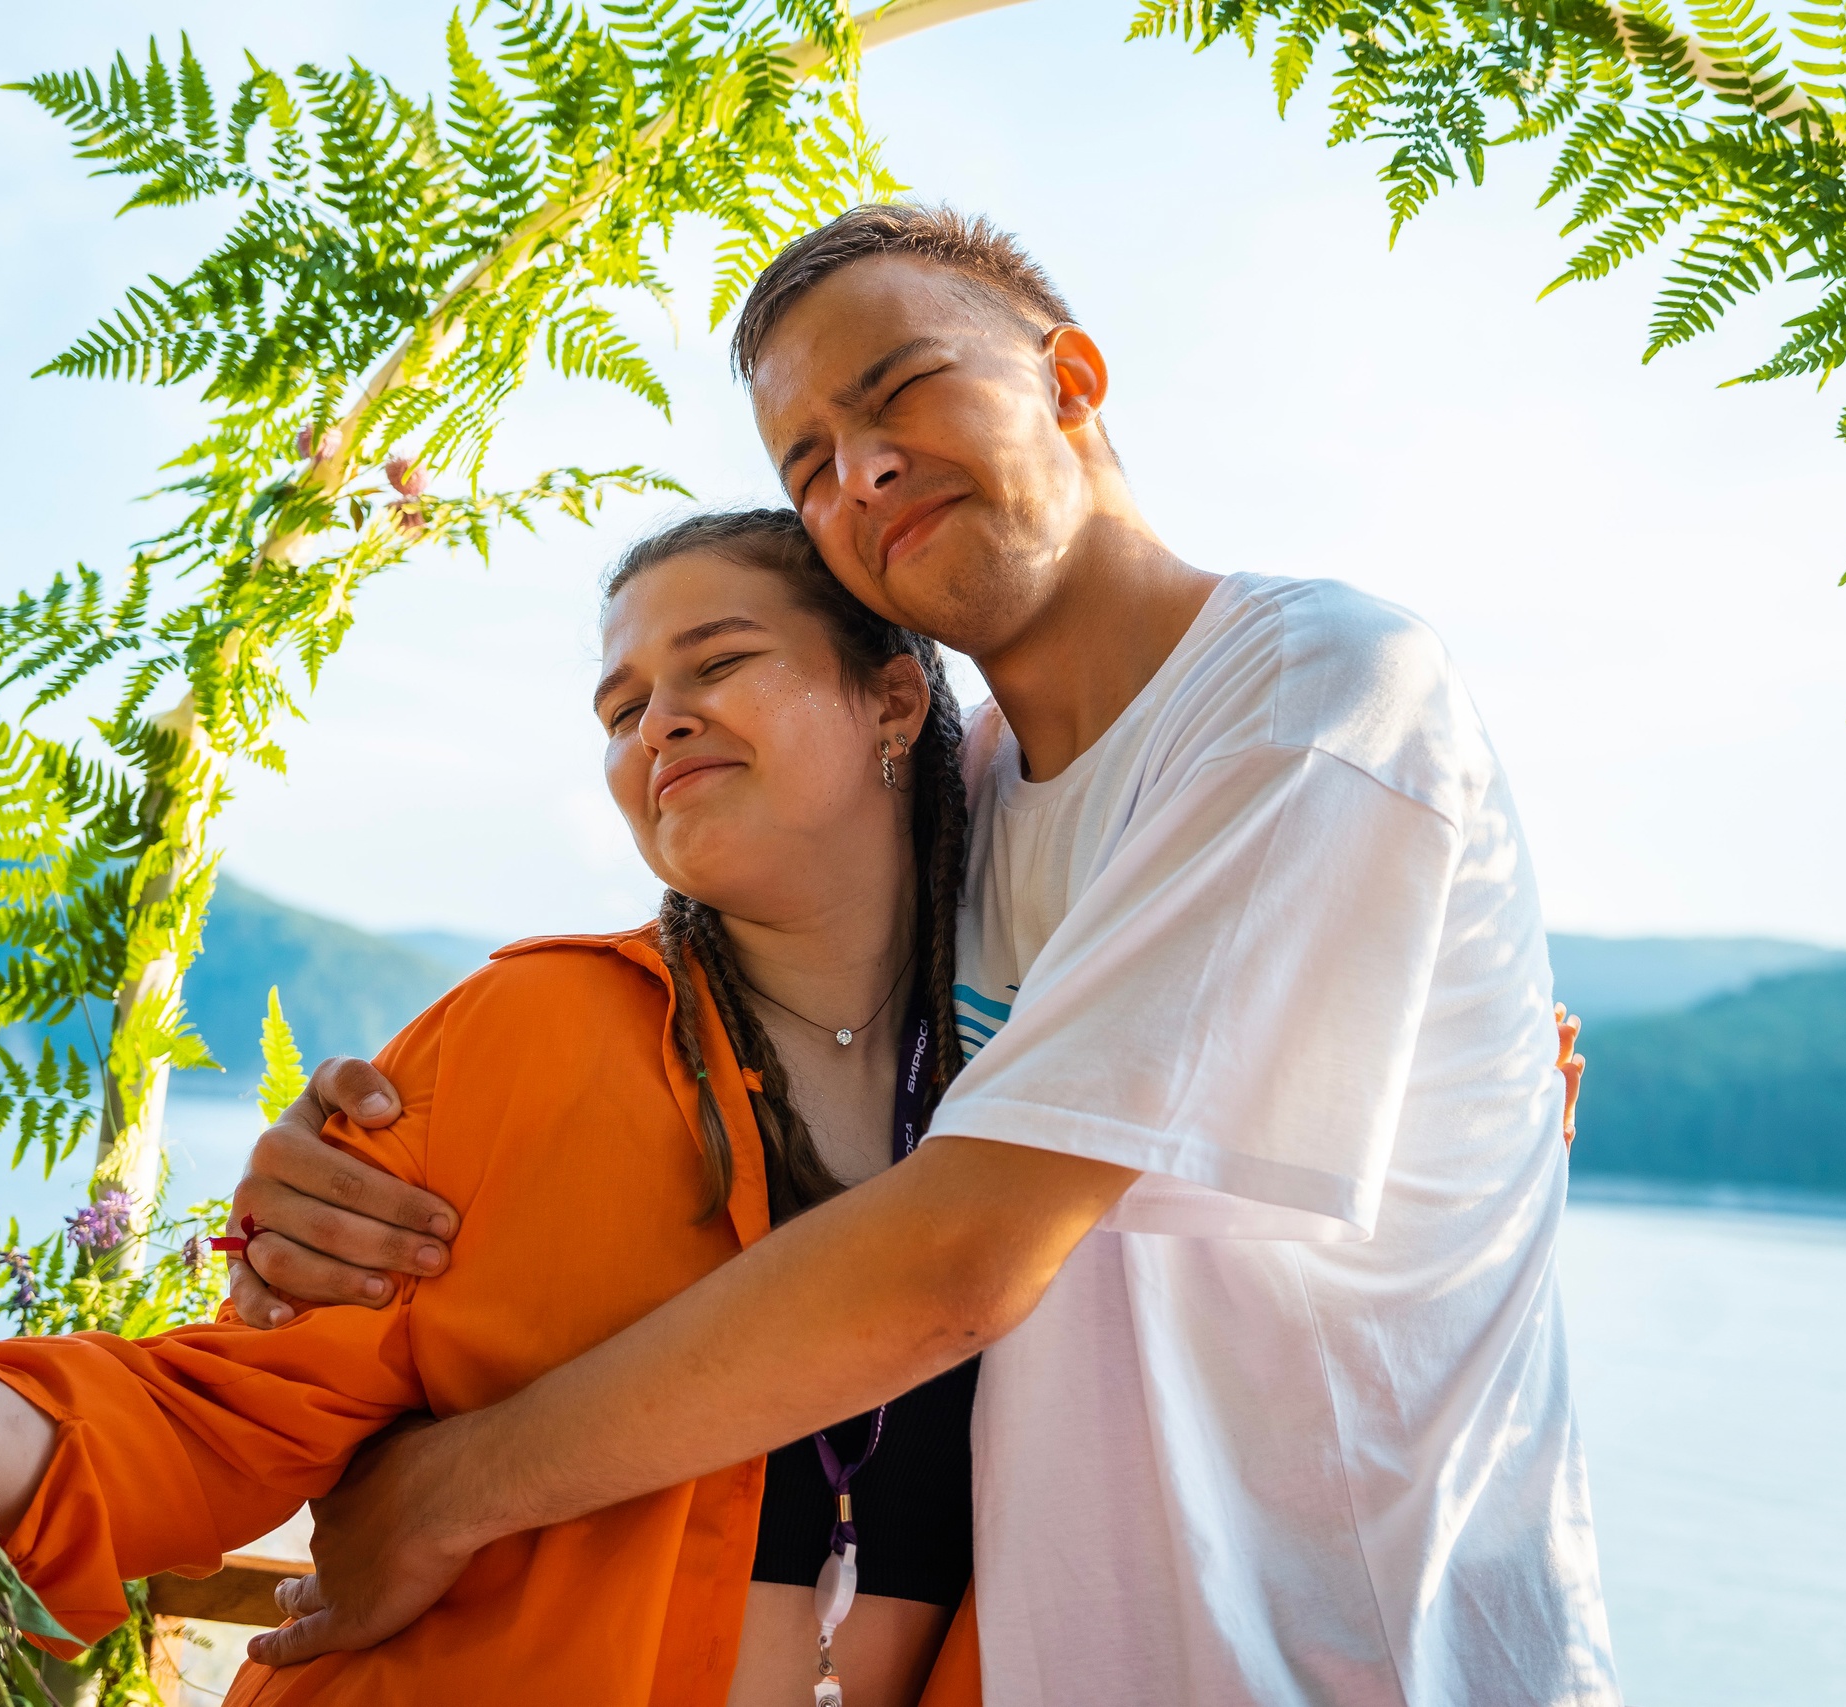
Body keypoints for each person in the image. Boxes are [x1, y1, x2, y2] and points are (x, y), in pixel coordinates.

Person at [225, 205, 1618, 1706]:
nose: (861, 474)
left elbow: (960, 1259)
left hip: (1362, 1664)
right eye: (808, 464)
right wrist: (362, 1155)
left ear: (1071, 380)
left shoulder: (1316, 697)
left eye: (900, 392)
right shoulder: (967, 797)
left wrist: (449, 1494)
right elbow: (720, 985)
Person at [0, 511, 1009, 1707]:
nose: (660, 721)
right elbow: (227, 1413)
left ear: (894, 698)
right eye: (622, 707)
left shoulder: (1033, 1091)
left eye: (722, 661)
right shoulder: (530, 1031)